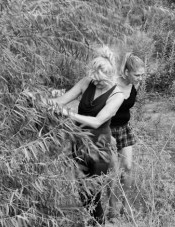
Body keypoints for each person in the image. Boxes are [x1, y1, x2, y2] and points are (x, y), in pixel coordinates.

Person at [51, 52, 124, 225]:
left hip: (100, 146)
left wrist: (69, 114)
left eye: (100, 80)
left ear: (111, 75)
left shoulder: (117, 95)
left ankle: (99, 223)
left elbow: (98, 121)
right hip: (79, 142)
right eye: (94, 79)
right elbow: (60, 101)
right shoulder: (86, 82)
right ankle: (95, 222)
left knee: (95, 192)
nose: (96, 83)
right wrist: (38, 100)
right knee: (82, 190)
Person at [108, 52, 146, 219]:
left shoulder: (134, 85)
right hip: (107, 130)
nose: (140, 78)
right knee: (113, 171)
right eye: (137, 75)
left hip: (124, 129)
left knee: (128, 168)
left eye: (142, 75)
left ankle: (125, 206)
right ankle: (112, 209)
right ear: (126, 72)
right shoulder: (111, 84)